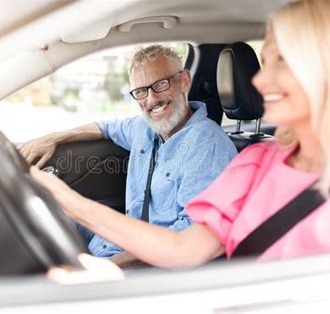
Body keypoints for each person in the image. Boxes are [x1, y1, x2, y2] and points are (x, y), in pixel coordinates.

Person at [32, 0, 330, 269]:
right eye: (265, 61)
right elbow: (185, 249)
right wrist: (66, 199)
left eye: (282, 62)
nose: (258, 81)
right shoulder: (258, 162)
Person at [20, 45, 238, 267]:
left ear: (184, 81)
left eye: (160, 84)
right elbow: (107, 127)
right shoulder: (144, 127)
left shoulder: (208, 145)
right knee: (36, 221)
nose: (152, 100)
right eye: (141, 91)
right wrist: (56, 137)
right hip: (114, 242)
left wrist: (108, 266)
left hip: (149, 266)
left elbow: (189, 240)